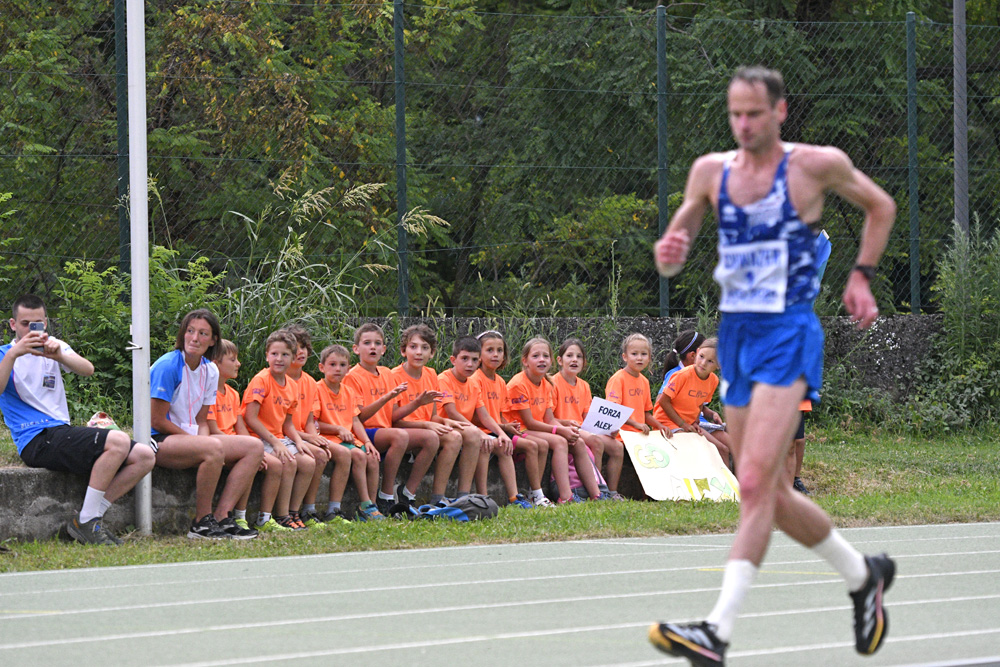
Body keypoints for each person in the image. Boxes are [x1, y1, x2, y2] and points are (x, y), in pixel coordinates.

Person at [649, 66, 896, 665]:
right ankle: (864, 576)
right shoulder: (712, 171)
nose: (743, 124)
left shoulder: (815, 165)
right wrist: (672, 245)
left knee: (755, 482)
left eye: (754, 114)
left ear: (780, 112)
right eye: (735, 113)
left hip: (788, 332)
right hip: (735, 335)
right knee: (770, 490)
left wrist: (860, 277)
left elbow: (879, 206)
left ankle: (716, 630)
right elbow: (683, 222)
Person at [0, 294, 155, 545]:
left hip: (60, 432)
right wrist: (14, 354)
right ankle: (86, 523)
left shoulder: (53, 346)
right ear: (12, 324)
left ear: (46, 322)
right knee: (117, 440)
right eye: (25, 323)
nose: (31, 329)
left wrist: (59, 356)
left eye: (37, 323)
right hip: (35, 440)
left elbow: (87, 369)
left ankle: (90, 517)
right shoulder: (5, 354)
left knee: (145, 456)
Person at [150, 309, 263, 539]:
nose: (194, 338)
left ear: (213, 340)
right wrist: (199, 442)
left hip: (191, 438)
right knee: (212, 448)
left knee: (254, 447)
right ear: (182, 334)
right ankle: (201, 523)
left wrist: (201, 439)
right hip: (159, 440)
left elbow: (202, 420)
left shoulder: (210, 369)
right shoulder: (168, 366)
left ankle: (222, 516)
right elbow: (157, 421)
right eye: (190, 331)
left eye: (203, 333)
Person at [341, 323, 430, 517]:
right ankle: (386, 496)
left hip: (385, 431)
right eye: (367, 343)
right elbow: (359, 417)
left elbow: (393, 416)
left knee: (431, 438)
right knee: (399, 436)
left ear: (384, 349)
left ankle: (407, 494)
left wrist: (417, 402)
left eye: (377, 343)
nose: (372, 347)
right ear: (356, 349)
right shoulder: (352, 377)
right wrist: (385, 398)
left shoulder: (387, 373)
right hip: (364, 432)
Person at [505, 337, 599, 505]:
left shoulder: (546, 383)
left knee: (577, 441)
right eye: (536, 356)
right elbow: (530, 422)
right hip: (520, 429)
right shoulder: (518, 384)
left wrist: (566, 428)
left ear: (551, 360)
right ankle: (566, 496)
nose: (542, 359)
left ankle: (597, 493)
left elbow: (549, 418)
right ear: (525, 361)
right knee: (560, 442)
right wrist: (560, 430)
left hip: (537, 428)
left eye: (545, 356)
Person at [207, 339, 282, 534]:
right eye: (232, 359)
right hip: (219, 443)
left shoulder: (232, 393)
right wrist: (247, 449)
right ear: (215, 364)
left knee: (275, 465)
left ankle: (263, 518)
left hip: (237, 444)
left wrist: (257, 451)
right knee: (250, 461)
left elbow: (241, 428)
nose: (238, 363)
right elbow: (212, 431)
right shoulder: (208, 393)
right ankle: (237, 517)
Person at [241, 329, 312, 531]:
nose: (279, 359)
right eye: (274, 354)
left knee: (308, 463)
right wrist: (275, 443)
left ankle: (293, 512)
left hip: (278, 437)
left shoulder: (292, 386)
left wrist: (298, 441)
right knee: (288, 462)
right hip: (258, 437)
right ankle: (274, 516)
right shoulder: (261, 380)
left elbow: (287, 423)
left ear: (292, 358)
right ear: (267, 356)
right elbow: (250, 418)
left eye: (285, 354)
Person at [390, 324, 466, 506]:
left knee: (456, 436)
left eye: (425, 348)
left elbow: (432, 416)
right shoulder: (393, 376)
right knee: (432, 436)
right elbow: (393, 421)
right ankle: (407, 492)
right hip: (404, 431)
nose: (419, 352)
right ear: (403, 351)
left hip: (425, 430)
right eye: (413, 347)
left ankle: (438, 498)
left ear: (432, 353)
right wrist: (427, 425)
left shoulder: (431, 374)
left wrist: (447, 421)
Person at [438, 335, 514, 500]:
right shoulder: (444, 379)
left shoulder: (472, 383)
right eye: (464, 359)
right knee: (479, 438)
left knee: (496, 442)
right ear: (453, 359)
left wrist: (502, 433)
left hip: (464, 429)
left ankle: (467, 497)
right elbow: (452, 413)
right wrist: (478, 431)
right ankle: (444, 497)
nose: (469, 364)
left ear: (479, 361)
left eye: (474, 360)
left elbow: (485, 416)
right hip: (445, 426)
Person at [315, 344, 385, 521]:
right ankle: (363, 504)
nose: (337, 369)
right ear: (321, 367)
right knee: (360, 457)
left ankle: (372, 507)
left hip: (348, 439)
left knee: (372, 457)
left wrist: (367, 442)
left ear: (348, 367)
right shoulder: (317, 389)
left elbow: (355, 420)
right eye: (332, 364)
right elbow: (314, 423)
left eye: (342, 365)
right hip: (330, 438)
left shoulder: (348, 391)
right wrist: (337, 429)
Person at [283, 325, 342, 528]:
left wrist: (314, 437)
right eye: (296, 347)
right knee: (316, 455)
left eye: (305, 347)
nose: (301, 352)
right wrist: (309, 439)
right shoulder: (280, 379)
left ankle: (312, 509)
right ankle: (295, 511)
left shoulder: (309, 382)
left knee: (325, 452)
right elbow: (281, 424)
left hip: (301, 435)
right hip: (285, 435)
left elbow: (309, 420)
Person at [551, 338, 623, 500]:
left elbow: (589, 419)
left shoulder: (584, 385)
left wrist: (607, 428)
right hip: (564, 429)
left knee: (617, 446)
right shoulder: (553, 383)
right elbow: (548, 417)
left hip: (582, 429)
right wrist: (567, 424)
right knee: (595, 442)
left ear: (584, 362)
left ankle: (611, 492)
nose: (574, 360)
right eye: (569, 355)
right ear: (560, 360)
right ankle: (596, 490)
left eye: (579, 356)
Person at [470, 330, 535, 509]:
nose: (496, 355)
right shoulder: (475, 379)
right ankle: (482, 497)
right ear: (479, 355)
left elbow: (497, 415)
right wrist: (501, 428)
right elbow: (475, 416)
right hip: (479, 432)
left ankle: (515, 498)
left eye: (500, 350)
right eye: (490, 350)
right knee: (492, 445)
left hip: (495, 430)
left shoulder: (500, 382)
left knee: (515, 446)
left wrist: (506, 427)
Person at [652, 337, 732, 465]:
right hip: (666, 422)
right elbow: (663, 401)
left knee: (723, 449)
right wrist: (683, 424)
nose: (703, 363)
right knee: (693, 447)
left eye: (710, 361)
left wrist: (695, 421)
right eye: (701, 356)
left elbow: (700, 403)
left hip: (688, 424)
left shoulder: (713, 381)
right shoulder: (682, 375)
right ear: (696, 353)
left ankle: (729, 485)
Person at [605, 333, 671, 441]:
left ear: (649, 357)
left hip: (639, 436)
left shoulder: (644, 381)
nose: (639, 358)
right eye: (634, 354)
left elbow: (645, 413)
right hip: (621, 436)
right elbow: (613, 411)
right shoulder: (618, 379)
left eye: (644, 354)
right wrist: (636, 424)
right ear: (625, 357)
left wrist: (660, 426)